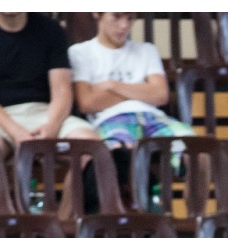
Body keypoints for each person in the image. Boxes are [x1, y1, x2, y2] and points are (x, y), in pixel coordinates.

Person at [0, 12, 100, 216]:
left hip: (44, 111)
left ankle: (59, 231)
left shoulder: (51, 30)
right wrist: (17, 132)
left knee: (90, 148)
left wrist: (51, 127)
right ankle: (10, 230)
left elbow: (62, 91)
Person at [68, 12, 208, 210]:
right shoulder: (80, 52)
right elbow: (87, 102)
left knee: (200, 153)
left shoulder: (146, 50)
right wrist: (140, 89)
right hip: (111, 119)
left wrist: (111, 85)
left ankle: (196, 226)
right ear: (97, 13)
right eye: (116, 17)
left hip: (154, 118)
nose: (124, 25)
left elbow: (160, 95)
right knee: (117, 156)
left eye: (130, 18)